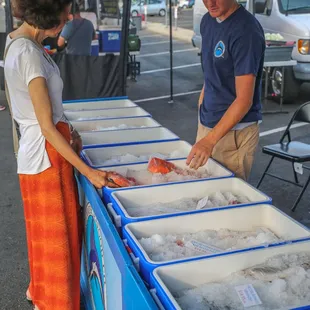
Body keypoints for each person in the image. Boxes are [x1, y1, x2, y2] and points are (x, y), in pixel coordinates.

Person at [4, 0, 118, 309]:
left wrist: (71, 129)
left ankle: (39, 294)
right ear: (46, 14)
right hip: (47, 158)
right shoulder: (28, 53)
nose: (68, 17)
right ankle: (56, 303)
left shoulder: (18, 40)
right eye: (64, 12)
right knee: (59, 244)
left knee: (40, 236)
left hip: (37, 154)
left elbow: (47, 115)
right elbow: (46, 126)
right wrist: (89, 171)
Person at [186, 0, 265, 181]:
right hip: (207, 125)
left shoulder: (246, 31)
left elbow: (244, 100)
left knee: (226, 198)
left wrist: (209, 141)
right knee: (200, 191)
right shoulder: (208, 21)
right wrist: (203, 105)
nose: (210, 3)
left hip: (235, 132)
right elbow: (212, 71)